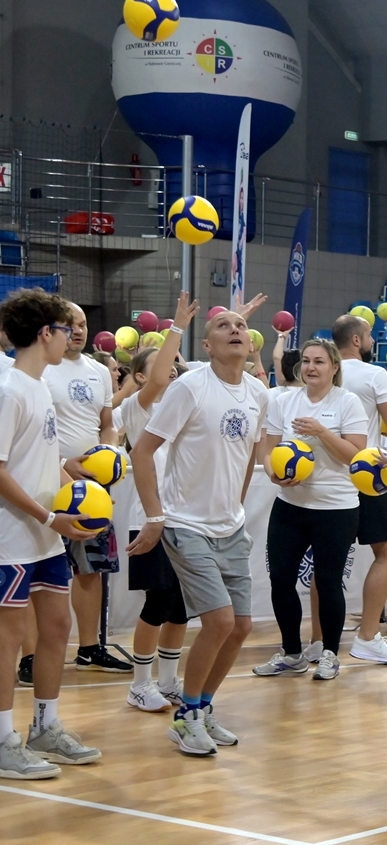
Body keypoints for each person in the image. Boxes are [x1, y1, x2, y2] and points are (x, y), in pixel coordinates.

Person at [129, 306, 270, 757]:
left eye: (241, 325)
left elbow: (248, 457)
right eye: (223, 326)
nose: (235, 329)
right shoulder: (189, 387)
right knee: (219, 621)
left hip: (230, 526)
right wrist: (156, 517)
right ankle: (186, 716)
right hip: (185, 523)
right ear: (206, 346)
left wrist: (236, 507)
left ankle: (203, 706)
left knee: (241, 627)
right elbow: (142, 452)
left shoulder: (258, 393)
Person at [0, 288, 103, 780]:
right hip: (11, 538)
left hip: (45, 535)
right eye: (66, 329)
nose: (71, 337)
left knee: (57, 627)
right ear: (46, 333)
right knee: (8, 637)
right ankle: (3, 739)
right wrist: (47, 518)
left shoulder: (39, 386)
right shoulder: (9, 389)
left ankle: (45, 727)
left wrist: (84, 498)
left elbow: (44, 461)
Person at [251, 338, 369, 681]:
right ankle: (292, 653)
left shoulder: (348, 402)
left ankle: (330, 653)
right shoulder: (284, 401)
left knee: (329, 582)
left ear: (334, 367)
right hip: (291, 504)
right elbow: (268, 449)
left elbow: (356, 456)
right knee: (280, 580)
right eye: (306, 361)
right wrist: (273, 473)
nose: (311, 367)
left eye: (319, 361)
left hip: (336, 506)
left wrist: (321, 432)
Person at [117, 294, 198, 712]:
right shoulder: (138, 406)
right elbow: (157, 381)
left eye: (177, 363)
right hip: (151, 517)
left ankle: (167, 681)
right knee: (158, 601)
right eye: (165, 363)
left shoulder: (184, 405)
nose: (174, 368)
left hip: (186, 519)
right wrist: (177, 328)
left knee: (181, 607)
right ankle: (140, 684)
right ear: (139, 376)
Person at [43, 301, 130, 675]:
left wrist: (107, 452)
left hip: (92, 489)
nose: (77, 330)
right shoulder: (39, 369)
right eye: (69, 324)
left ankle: (89, 647)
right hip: (45, 484)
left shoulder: (98, 371)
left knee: (91, 569)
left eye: (81, 323)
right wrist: (64, 465)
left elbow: (106, 424)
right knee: (41, 572)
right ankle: (32, 656)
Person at [331, 313, 387, 664]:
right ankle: (367, 636)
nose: (373, 340)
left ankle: (320, 641)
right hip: (365, 473)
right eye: (369, 335)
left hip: (326, 474)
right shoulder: (375, 374)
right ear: (356, 340)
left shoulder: (323, 371)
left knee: (328, 562)